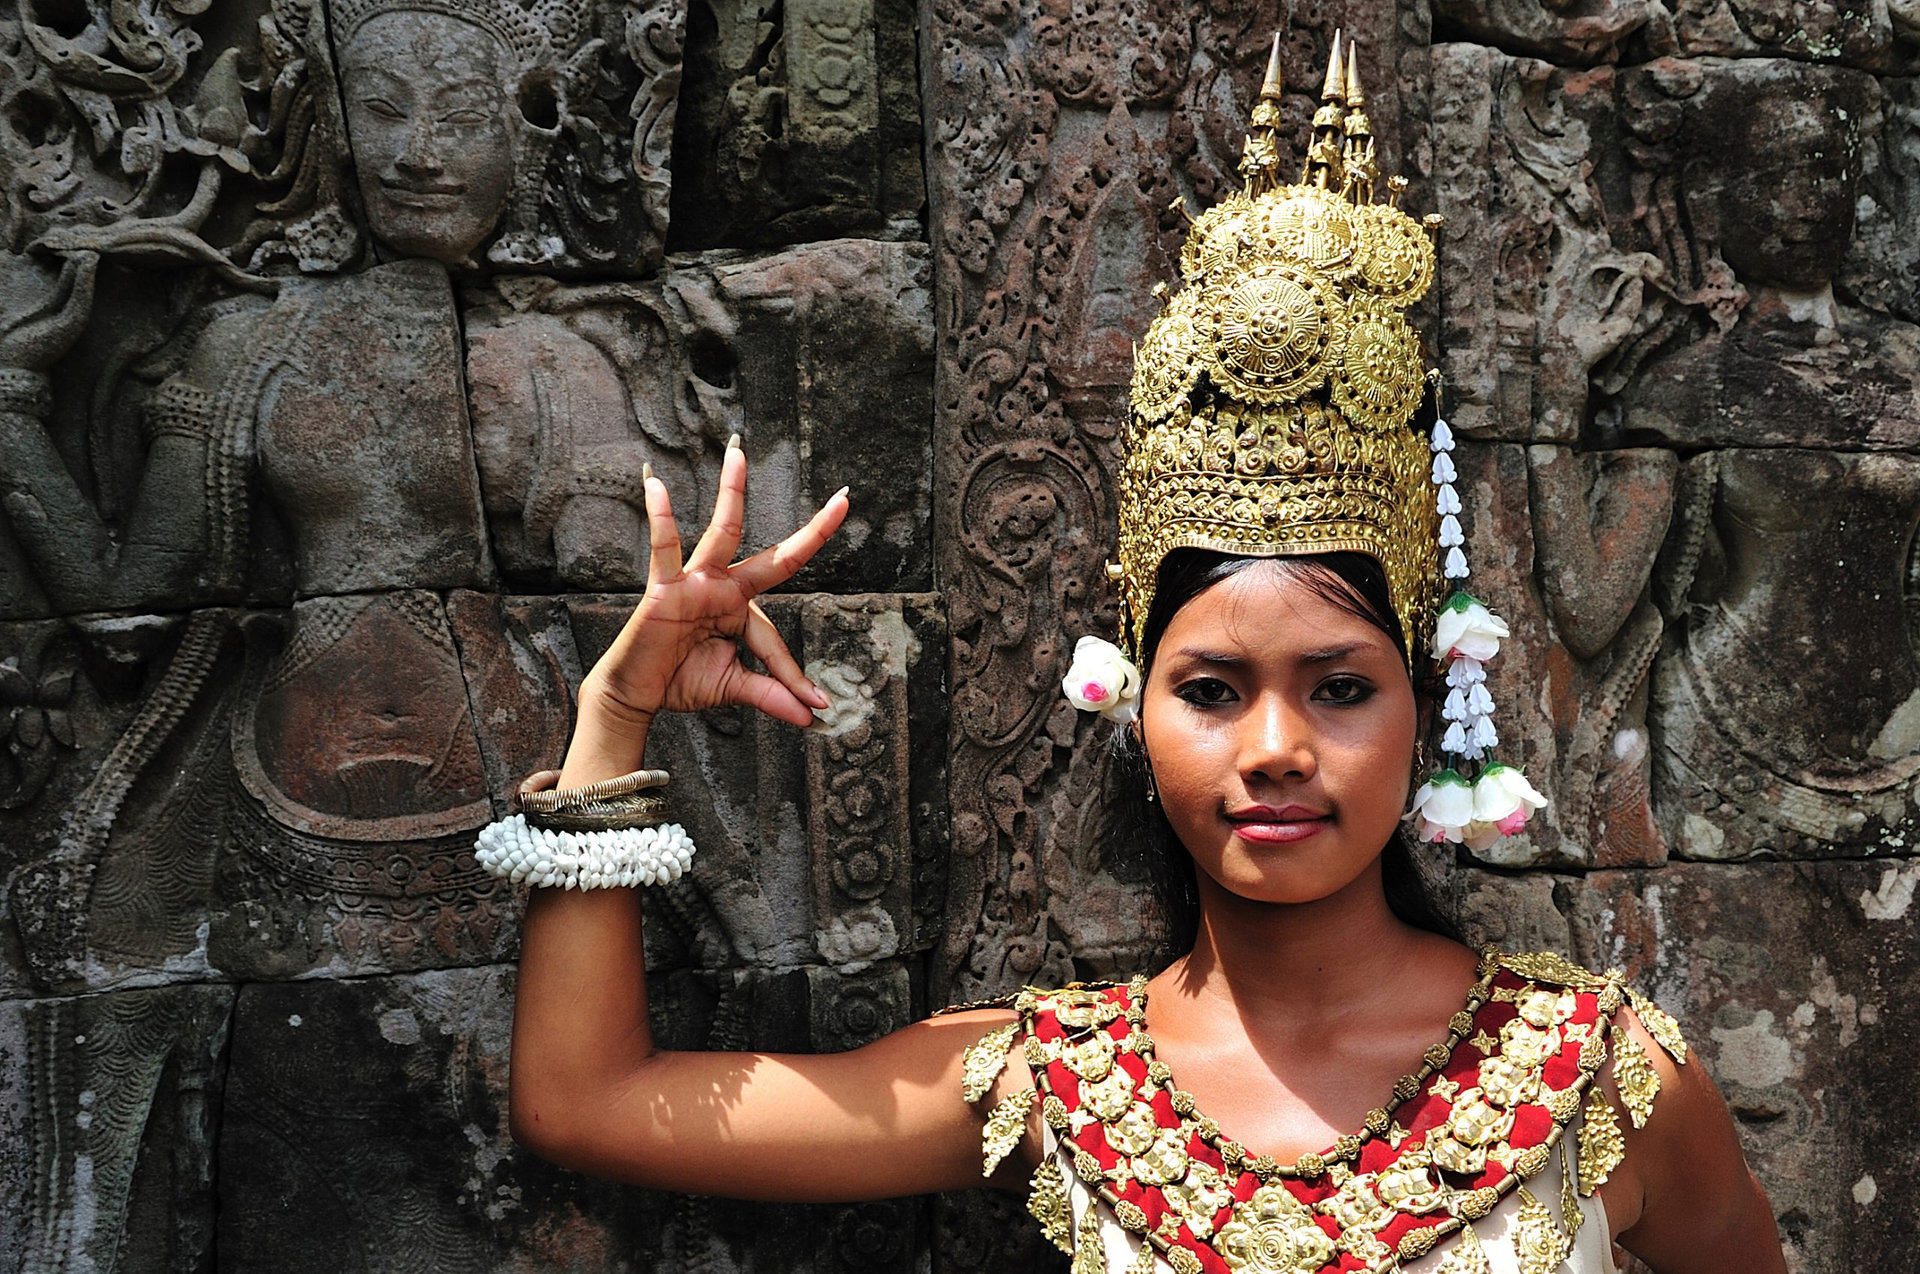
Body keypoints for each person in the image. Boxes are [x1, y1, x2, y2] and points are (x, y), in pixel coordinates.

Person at [501, 35, 1784, 1274]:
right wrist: (616, 711)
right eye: (1212, 691)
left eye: (1340, 687)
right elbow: (587, 1100)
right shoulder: (1062, 1083)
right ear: (1134, 706)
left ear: (1429, 694)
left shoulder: (1606, 1080)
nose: (1276, 749)